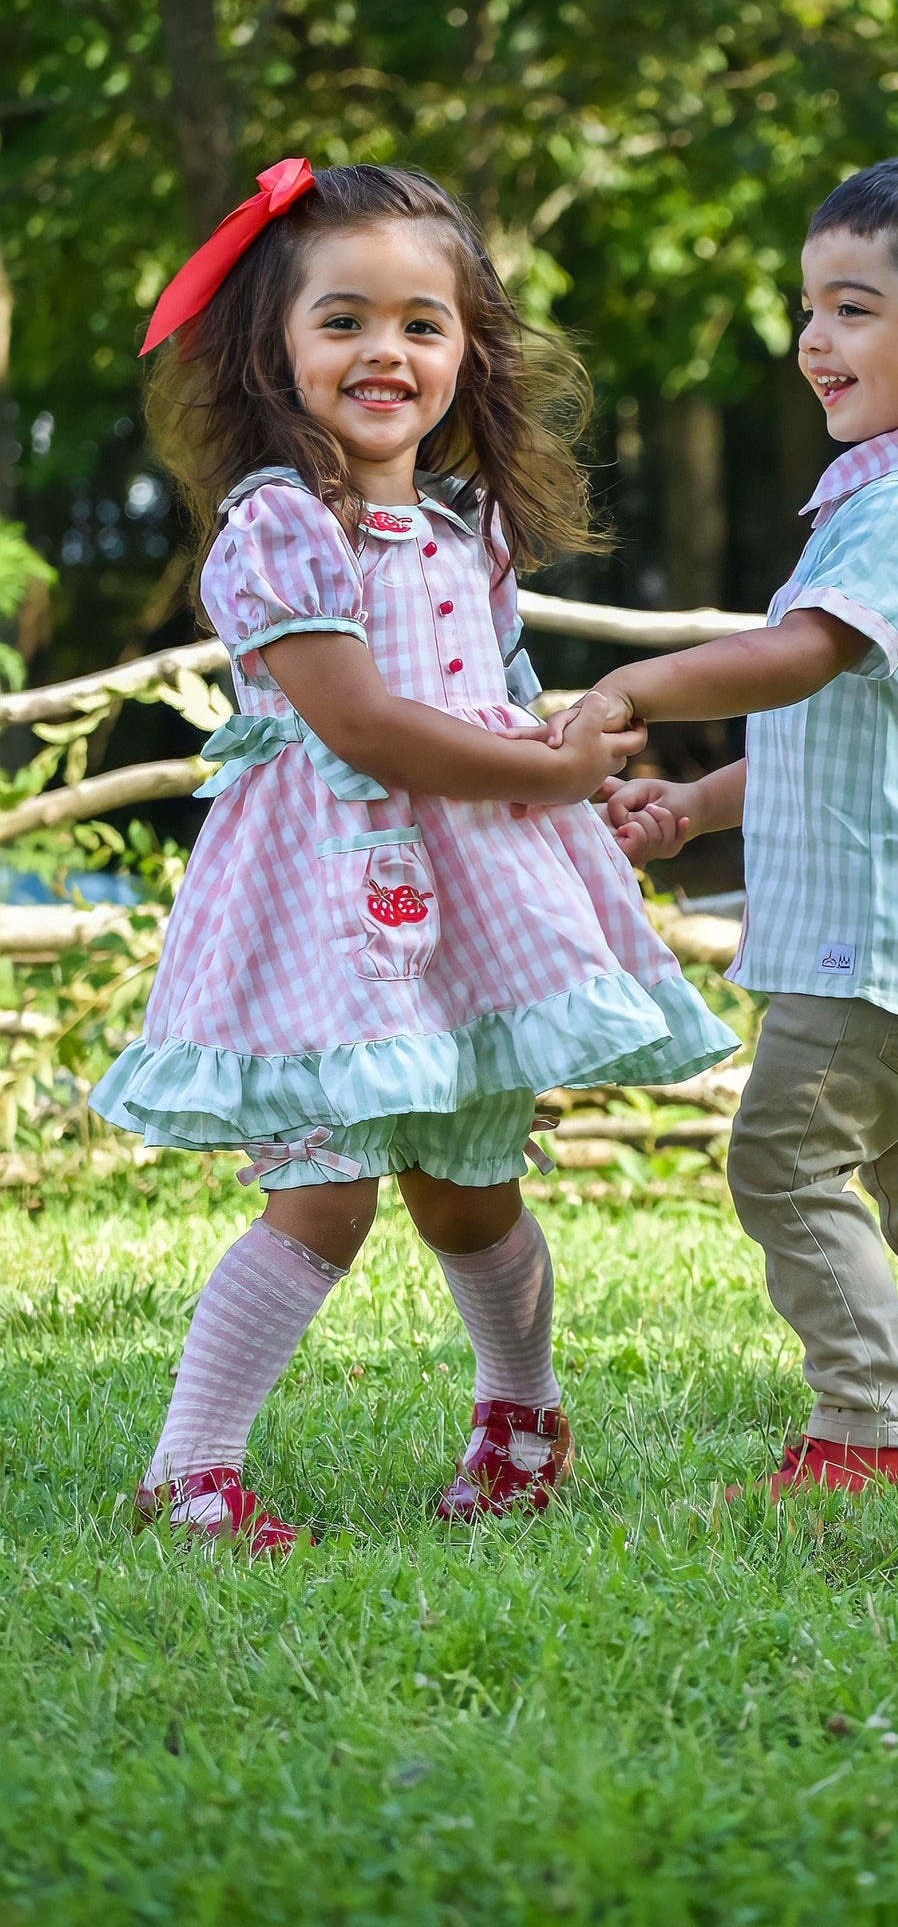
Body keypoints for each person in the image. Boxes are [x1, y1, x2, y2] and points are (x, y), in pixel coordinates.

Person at [93, 158, 737, 1552]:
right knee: (320, 1189)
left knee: (466, 1189)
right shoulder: (276, 525)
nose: (384, 349)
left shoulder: (469, 529)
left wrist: (580, 792)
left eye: (421, 323)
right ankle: (188, 1465)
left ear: (467, 349)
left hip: (469, 908)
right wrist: (552, 764)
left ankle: (521, 1412)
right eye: (342, 321)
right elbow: (369, 726)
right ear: (273, 346)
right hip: (328, 897)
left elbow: (488, 702)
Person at [567, 154, 898, 1495]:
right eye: (806, 306)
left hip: (874, 931)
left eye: (852, 309)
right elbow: (840, 725)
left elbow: (798, 661)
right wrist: (695, 804)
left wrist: (630, 687)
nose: (811, 338)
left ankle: (868, 1429)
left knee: (782, 1165)